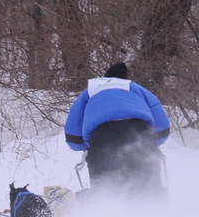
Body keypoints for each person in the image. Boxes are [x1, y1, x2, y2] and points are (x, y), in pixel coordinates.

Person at [64, 62, 170, 195]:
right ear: (125, 79)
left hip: (102, 138)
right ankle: (155, 211)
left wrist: (86, 146)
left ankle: (108, 211)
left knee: (105, 191)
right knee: (149, 188)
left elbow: (73, 133)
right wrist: (151, 143)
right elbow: (162, 125)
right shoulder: (136, 89)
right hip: (140, 132)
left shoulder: (89, 92)